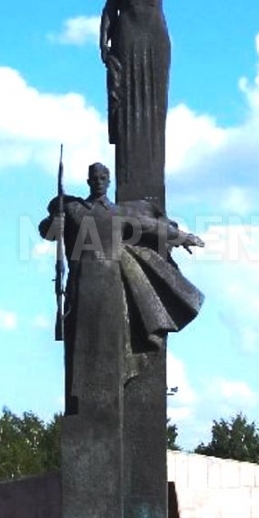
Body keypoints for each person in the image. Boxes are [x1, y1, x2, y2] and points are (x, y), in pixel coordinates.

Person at [40, 163, 203, 411]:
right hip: (81, 282)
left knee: (112, 339)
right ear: (88, 181)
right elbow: (48, 232)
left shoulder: (119, 214)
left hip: (111, 282)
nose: (99, 181)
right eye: (94, 178)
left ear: (109, 181)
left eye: (103, 177)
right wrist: (56, 220)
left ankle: (109, 391)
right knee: (82, 342)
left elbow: (152, 227)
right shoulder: (74, 209)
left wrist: (182, 238)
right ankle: (86, 398)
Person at [100, 0, 171, 203]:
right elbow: (110, 4)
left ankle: (153, 195)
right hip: (127, 33)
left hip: (155, 35)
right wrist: (102, 41)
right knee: (128, 104)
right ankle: (129, 190)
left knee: (155, 109)